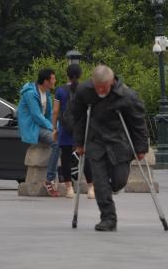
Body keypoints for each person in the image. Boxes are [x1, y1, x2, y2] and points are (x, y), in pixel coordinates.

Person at [72, 64, 148, 231]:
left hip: (119, 140)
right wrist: (78, 142)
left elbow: (138, 122)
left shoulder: (127, 96)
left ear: (112, 81)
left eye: (104, 87)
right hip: (96, 140)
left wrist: (141, 148)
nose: (100, 90)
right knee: (99, 181)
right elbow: (77, 117)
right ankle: (108, 218)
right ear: (92, 81)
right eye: (97, 87)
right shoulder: (84, 91)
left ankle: (108, 189)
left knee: (119, 181)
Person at [52, 63, 94, 199]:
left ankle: (69, 189)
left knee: (65, 158)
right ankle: (91, 188)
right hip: (81, 128)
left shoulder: (60, 90)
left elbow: (56, 111)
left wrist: (54, 128)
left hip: (65, 127)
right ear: (81, 75)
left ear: (67, 75)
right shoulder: (86, 89)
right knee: (85, 157)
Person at [17, 67, 61, 196]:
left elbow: (50, 115)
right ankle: (50, 179)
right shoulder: (30, 93)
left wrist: (58, 127)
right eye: (53, 79)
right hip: (33, 127)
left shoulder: (46, 93)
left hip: (42, 126)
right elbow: (37, 116)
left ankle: (63, 177)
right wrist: (53, 129)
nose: (55, 81)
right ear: (46, 81)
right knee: (57, 143)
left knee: (64, 138)